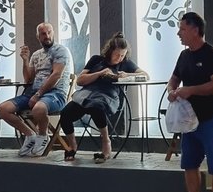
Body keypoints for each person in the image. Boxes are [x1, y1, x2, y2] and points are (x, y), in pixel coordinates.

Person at [167, 11, 213, 192]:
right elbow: (174, 79)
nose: (179, 33)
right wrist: (172, 90)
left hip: (212, 118)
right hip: (189, 121)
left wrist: (190, 90)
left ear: (195, 30)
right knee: (189, 163)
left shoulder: (212, 54)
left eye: (182, 29)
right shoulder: (184, 56)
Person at [55, 32, 146, 162]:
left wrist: (128, 75)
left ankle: (106, 141)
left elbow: (145, 75)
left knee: (95, 106)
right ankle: (72, 145)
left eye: (122, 55)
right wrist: (100, 73)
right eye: (117, 54)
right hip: (85, 95)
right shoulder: (96, 60)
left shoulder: (126, 64)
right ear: (110, 51)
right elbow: (80, 80)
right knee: (65, 113)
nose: (119, 58)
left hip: (108, 97)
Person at [0, 22, 73, 158]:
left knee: (38, 109)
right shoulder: (36, 55)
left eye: (49, 32)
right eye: (43, 34)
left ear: (53, 33)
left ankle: (43, 136)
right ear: (38, 37)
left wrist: (38, 94)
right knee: (3, 109)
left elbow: (56, 74)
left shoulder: (60, 51)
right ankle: (30, 135)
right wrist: (25, 61)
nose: (47, 36)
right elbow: (28, 79)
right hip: (33, 93)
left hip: (55, 93)